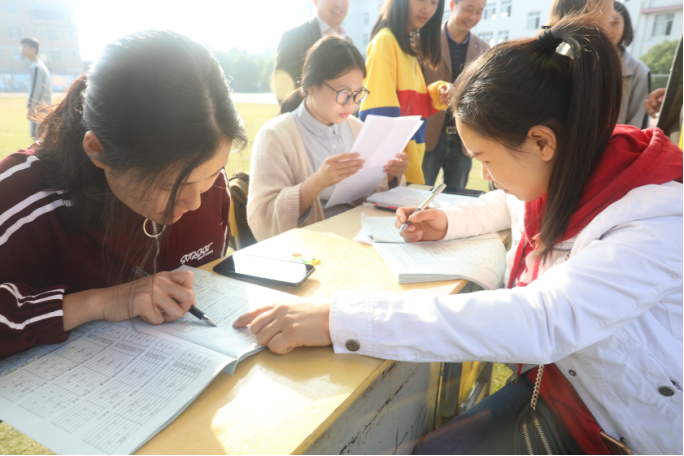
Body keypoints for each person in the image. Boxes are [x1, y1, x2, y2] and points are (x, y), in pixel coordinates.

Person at [235, 13, 683, 455]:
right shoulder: (577, 160)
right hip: (560, 390)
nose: (484, 176)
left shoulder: (655, 221)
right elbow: (510, 204)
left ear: (541, 142)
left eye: (485, 159)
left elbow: (542, 320)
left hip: (620, 429)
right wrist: (449, 222)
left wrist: (341, 320)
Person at [0, 30, 247, 361]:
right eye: (169, 187)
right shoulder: (20, 194)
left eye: (213, 173)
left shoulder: (205, 183)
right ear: (97, 151)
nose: (196, 203)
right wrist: (98, 302)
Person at [249, 36, 408, 242]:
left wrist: (392, 175)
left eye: (358, 93)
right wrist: (316, 183)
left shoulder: (357, 128)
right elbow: (262, 218)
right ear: (311, 86)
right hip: (309, 248)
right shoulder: (274, 136)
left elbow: (370, 199)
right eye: (343, 93)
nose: (351, 104)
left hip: (359, 239)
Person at [360, 0, 452, 185]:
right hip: (392, 171)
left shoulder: (405, 48)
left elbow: (411, 106)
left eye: (434, 2)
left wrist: (437, 94)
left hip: (406, 166)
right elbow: (379, 114)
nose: (427, 9)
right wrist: (391, 175)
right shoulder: (385, 41)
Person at [422, 0, 490, 188]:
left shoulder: (484, 50)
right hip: (429, 135)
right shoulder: (426, 41)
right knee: (417, 194)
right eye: (469, 9)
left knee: (457, 198)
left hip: (464, 140)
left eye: (479, 11)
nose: (473, 17)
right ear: (452, 5)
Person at [274, 0, 350, 103]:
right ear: (315, 2)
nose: (339, 3)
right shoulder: (293, 37)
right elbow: (284, 90)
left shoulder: (349, 41)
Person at [606, 1, 650, 128]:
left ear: (625, 26)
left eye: (615, 22)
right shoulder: (574, 60)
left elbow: (636, 122)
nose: (608, 28)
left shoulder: (638, 70)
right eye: (605, 21)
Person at [21, 37, 52, 140]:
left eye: (25, 46)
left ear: (33, 49)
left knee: (38, 140)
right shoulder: (39, 66)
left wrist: (31, 108)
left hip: (39, 112)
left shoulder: (36, 67)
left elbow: (35, 90)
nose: (22, 49)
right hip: (43, 111)